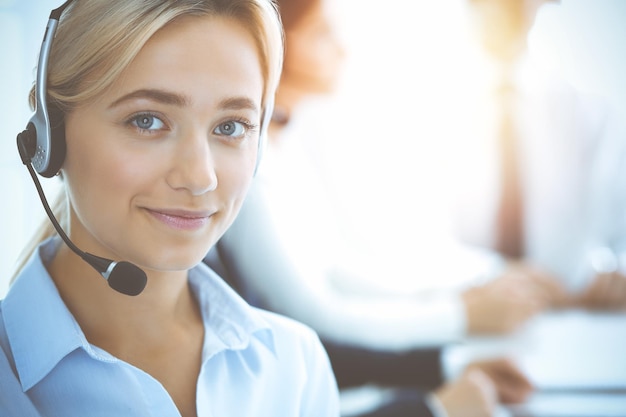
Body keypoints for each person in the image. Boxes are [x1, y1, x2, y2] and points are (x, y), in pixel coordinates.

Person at [0, 1, 340, 416]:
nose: (200, 178)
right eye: (147, 120)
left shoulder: (294, 368)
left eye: (230, 126)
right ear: (49, 134)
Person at [205, 0, 536, 415]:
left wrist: (455, 314)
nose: (343, 50)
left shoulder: (284, 147)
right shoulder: (247, 173)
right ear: (275, 42)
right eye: (323, 34)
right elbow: (315, 316)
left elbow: (336, 268)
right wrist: (458, 320)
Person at [446, 0, 626, 310]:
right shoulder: (433, 116)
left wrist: (609, 275)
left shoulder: (589, 116)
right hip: (469, 319)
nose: (495, 12)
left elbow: (617, 234)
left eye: (509, 5)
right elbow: (416, 251)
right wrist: (497, 275)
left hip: (573, 317)